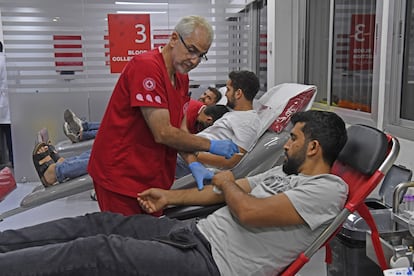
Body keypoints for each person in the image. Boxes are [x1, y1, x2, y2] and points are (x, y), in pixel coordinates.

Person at [0, 110, 348, 275]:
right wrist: (170, 197)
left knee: (97, 250)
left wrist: (225, 181)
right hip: (193, 233)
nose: (286, 145)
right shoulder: (283, 172)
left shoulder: (328, 190)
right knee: (99, 222)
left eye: (293, 139)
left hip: (212, 264)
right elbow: (220, 193)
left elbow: (247, 211)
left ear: (314, 147)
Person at [87, 15, 240, 216]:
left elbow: (180, 128)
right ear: (174, 39)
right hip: (121, 174)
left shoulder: (182, 77)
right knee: (123, 242)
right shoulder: (147, 67)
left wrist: (193, 162)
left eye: (201, 55)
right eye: (191, 50)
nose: (194, 60)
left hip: (152, 177)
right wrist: (210, 145)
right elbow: (163, 133)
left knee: (144, 240)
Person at [32, 102, 229, 187]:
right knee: (119, 140)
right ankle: (65, 165)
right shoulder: (202, 117)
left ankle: (58, 170)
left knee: (119, 149)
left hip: (176, 160)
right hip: (176, 152)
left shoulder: (239, 125)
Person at [175, 70, 261, 186]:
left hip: (193, 160)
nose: (225, 94)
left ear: (238, 93)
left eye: (228, 90)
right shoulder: (233, 113)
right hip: (189, 149)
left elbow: (232, 161)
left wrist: (194, 154)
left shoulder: (248, 122)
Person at [62, 100, 229, 143]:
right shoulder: (190, 115)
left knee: (115, 128)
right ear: (209, 119)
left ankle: (83, 130)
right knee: (116, 130)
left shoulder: (195, 109)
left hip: (151, 121)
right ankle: (83, 132)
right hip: (150, 125)